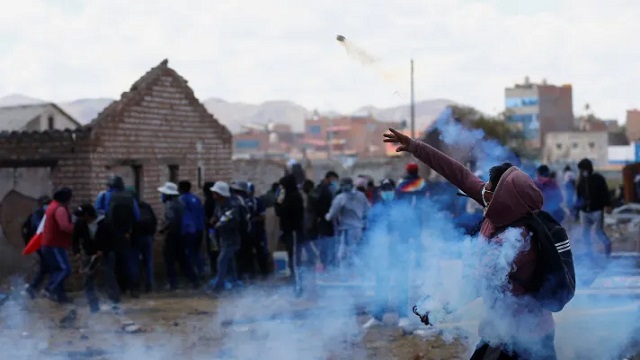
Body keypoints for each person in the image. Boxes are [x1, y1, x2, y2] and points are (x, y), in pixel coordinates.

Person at [383, 128, 557, 359]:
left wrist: (436, 309)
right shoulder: (508, 210)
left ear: (504, 198)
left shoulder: (515, 239)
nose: (482, 192)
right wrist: (416, 147)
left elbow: (475, 284)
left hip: (519, 338)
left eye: (490, 190)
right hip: (508, 331)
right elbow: (460, 175)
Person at [363, 178, 412, 330]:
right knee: (381, 284)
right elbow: (369, 231)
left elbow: (409, 229)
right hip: (382, 253)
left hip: (399, 252)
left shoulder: (402, 208)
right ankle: (377, 316)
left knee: (401, 284)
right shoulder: (376, 210)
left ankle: (403, 316)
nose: (387, 192)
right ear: (380, 191)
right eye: (384, 189)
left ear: (394, 190)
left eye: (389, 188)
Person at [72, 204, 120, 312]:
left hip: (106, 253)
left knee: (109, 277)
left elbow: (113, 241)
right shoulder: (80, 224)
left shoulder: (105, 223)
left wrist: (103, 251)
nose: (79, 218)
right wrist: (77, 252)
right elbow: (75, 239)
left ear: (88, 215)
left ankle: (115, 303)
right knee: (88, 280)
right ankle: (94, 306)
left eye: (82, 216)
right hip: (90, 253)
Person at [325, 177, 370, 276]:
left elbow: (332, 214)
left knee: (344, 254)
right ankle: (359, 274)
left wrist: (327, 216)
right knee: (357, 252)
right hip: (359, 228)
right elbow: (368, 210)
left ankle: (346, 276)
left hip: (347, 230)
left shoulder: (340, 197)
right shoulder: (361, 195)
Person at [158, 182, 196, 290]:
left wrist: (162, 229)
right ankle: (193, 280)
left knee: (169, 260)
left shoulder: (170, 205)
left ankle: (173, 283)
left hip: (173, 235)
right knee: (183, 259)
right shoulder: (180, 202)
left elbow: (171, 221)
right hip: (182, 234)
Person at [41, 187, 75, 303]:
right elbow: (64, 226)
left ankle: (60, 297)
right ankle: (49, 289)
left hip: (50, 243)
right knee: (65, 269)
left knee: (56, 270)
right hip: (54, 244)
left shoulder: (53, 206)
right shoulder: (59, 209)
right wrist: (76, 227)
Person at [208, 181, 242, 292]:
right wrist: (214, 219)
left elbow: (232, 221)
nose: (213, 195)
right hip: (224, 238)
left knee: (221, 260)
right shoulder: (219, 203)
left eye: (215, 193)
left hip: (232, 239)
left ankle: (219, 286)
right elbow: (216, 215)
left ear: (220, 194)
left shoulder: (232, 205)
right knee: (230, 262)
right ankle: (234, 282)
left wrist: (219, 225)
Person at [275, 174, 306, 295]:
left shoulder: (293, 197)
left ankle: (298, 287)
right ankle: (294, 285)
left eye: (283, 186)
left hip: (293, 232)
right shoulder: (292, 196)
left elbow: (280, 212)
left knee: (294, 261)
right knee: (291, 260)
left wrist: (278, 202)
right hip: (289, 232)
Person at [576, 158, 613, 258]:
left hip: (597, 209)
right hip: (584, 211)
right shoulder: (581, 181)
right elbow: (579, 196)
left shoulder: (598, 179)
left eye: (582, 169)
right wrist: (577, 209)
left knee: (598, 231)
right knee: (585, 233)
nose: (581, 172)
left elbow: (605, 193)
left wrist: (608, 205)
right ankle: (589, 253)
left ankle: (607, 247)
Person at [129, 187, 158, 293]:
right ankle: (150, 285)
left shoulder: (130, 207)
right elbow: (154, 220)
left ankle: (135, 286)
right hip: (148, 237)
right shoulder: (146, 205)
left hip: (135, 237)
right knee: (149, 262)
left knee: (134, 261)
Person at [23, 196, 51, 299]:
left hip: (44, 244)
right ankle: (46, 289)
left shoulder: (42, 213)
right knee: (51, 266)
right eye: (45, 204)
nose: (47, 206)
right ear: (40, 204)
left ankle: (33, 288)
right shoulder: (37, 214)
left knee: (45, 267)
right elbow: (38, 227)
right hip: (40, 244)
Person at [309, 171, 339, 268]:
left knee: (328, 245)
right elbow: (317, 206)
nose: (334, 182)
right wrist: (324, 216)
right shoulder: (322, 189)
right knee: (325, 245)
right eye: (333, 179)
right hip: (324, 221)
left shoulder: (323, 189)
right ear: (329, 178)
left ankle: (327, 264)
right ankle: (326, 265)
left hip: (326, 221)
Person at [179, 180, 206, 282]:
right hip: (200, 228)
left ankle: (194, 278)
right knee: (197, 252)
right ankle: (201, 271)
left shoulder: (182, 199)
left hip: (190, 230)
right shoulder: (196, 198)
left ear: (180, 189)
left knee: (190, 253)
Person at [246, 182, 271, 278]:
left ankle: (264, 273)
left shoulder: (257, 201)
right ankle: (252, 273)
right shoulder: (243, 201)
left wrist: (251, 220)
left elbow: (263, 216)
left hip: (258, 232)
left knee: (261, 252)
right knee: (249, 254)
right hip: (249, 233)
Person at [230, 181, 253, 281]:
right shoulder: (247, 201)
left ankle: (240, 276)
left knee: (239, 255)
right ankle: (246, 275)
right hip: (246, 231)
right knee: (246, 254)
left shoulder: (237, 201)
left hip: (240, 231)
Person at [203, 181, 218, 275]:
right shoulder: (218, 200)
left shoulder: (209, 201)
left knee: (213, 250)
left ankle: (215, 270)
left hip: (212, 230)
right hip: (217, 229)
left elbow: (206, 216)